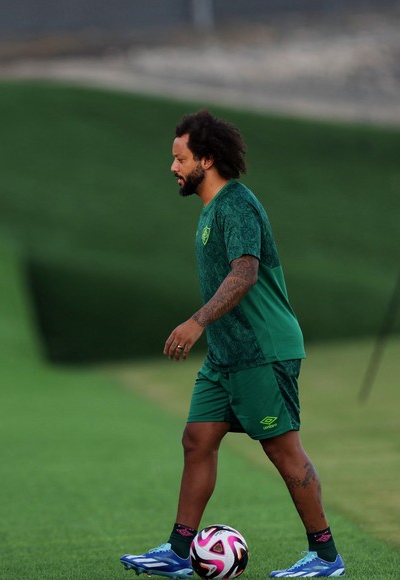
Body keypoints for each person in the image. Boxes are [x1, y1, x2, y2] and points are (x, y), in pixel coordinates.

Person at [120, 110, 345, 578]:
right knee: (197, 439)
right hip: (227, 357)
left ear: (206, 158)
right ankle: (179, 553)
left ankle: (325, 558)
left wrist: (197, 321)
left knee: (283, 452)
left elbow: (244, 274)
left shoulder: (237, 203)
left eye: (180, 158)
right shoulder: (210, 210)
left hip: (263, 351)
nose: (173, 167)